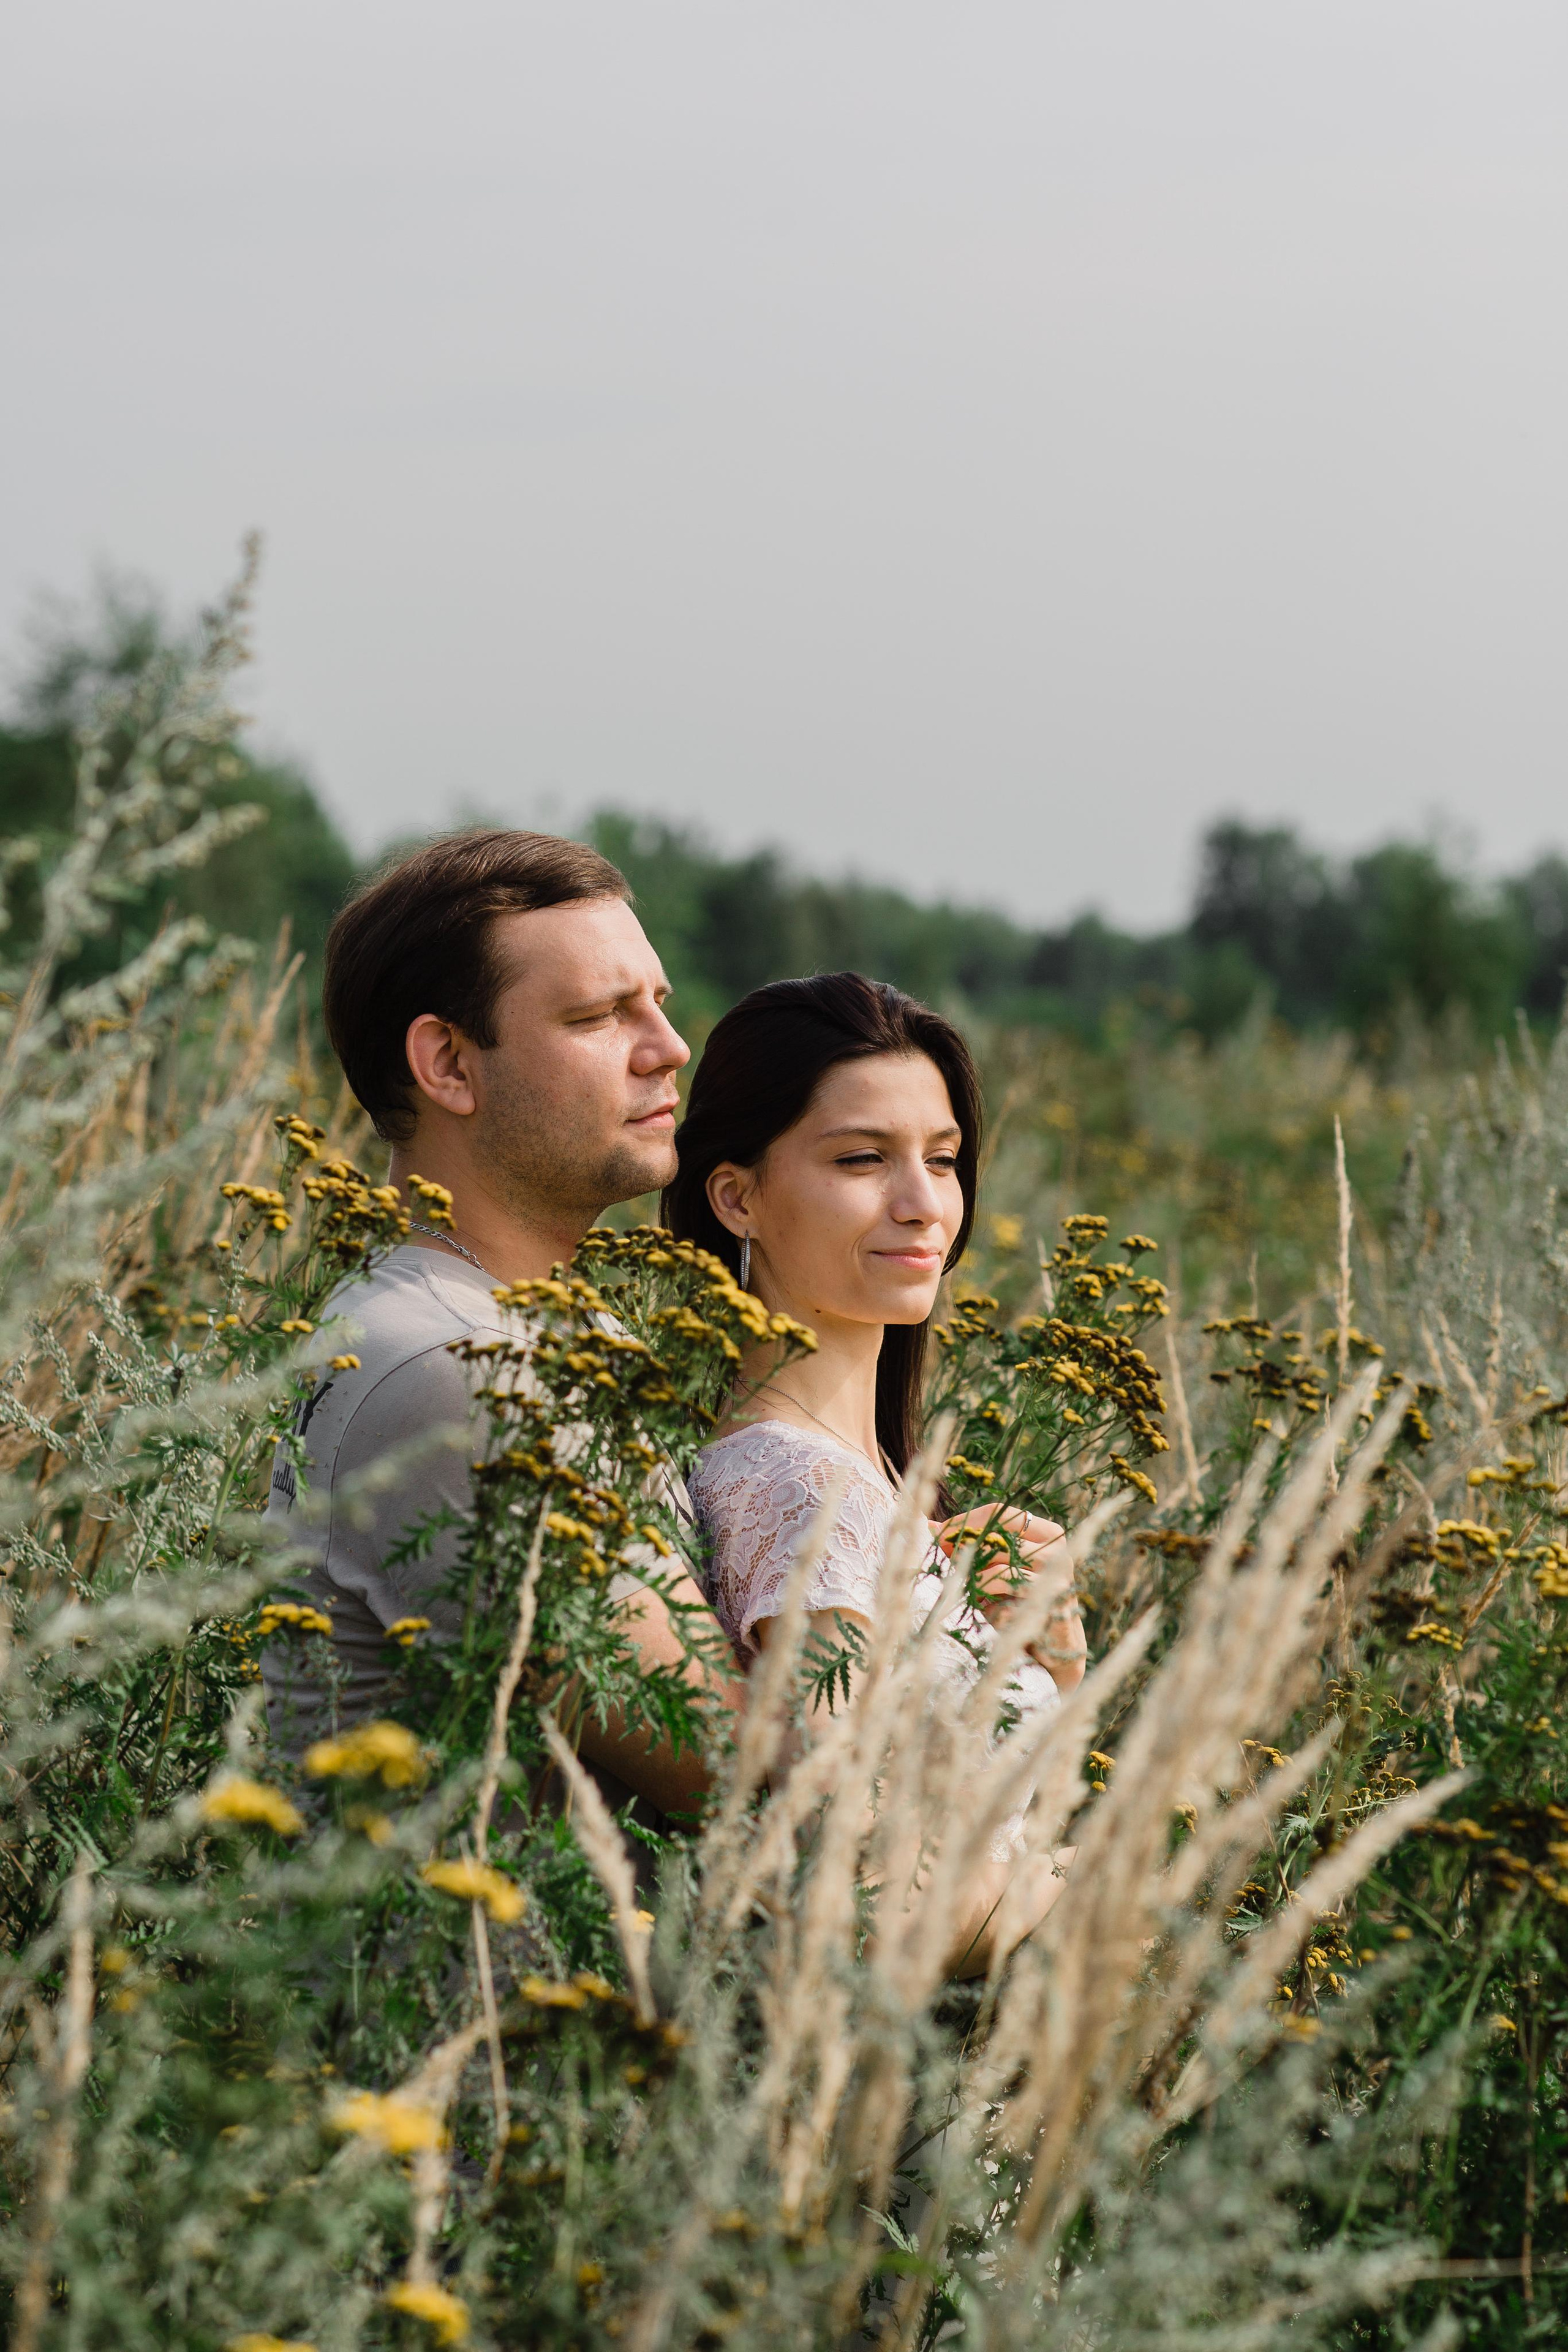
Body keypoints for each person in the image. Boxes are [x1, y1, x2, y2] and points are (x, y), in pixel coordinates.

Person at [262, 827, 743, 1817]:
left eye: (657, 1002)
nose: (669, 1048)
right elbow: (721, 1761)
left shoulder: (529, 1324)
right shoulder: (452, 1366)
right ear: (447, 1063)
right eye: (599, 1016)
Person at [663, 971, 1085, 1971]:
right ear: (737, 1196)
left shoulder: (870, 1484)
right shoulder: (804, 1493)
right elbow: (871, 1900)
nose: (923, 1204)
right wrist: (1075, 1880)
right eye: (862, 1159)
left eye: (942, 1159)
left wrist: (1050, 1649)